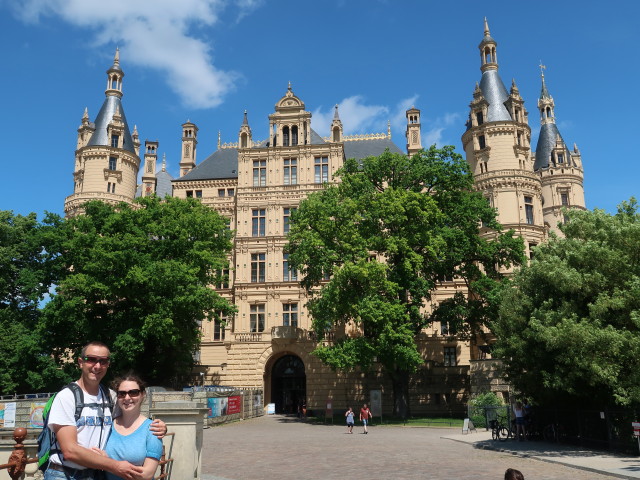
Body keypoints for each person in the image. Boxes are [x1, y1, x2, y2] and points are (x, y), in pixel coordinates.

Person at [45, 341, 166, 480]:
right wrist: (115, 465)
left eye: (103, 361)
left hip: (95, 474)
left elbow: (132, 417)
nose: (97, 366)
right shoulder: (66, 397)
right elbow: (70, 451)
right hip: (64, 474)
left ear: (108, 365)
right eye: (91, 359)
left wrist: (161, 427)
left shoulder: (111, 397)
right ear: (80, 362)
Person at [101, 373, 163, 480]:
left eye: (133, 393)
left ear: (142, 394)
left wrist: (108, 463)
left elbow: (146, 475)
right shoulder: (108, 426)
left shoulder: (153, 429)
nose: (127, 397)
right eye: (122, 393)